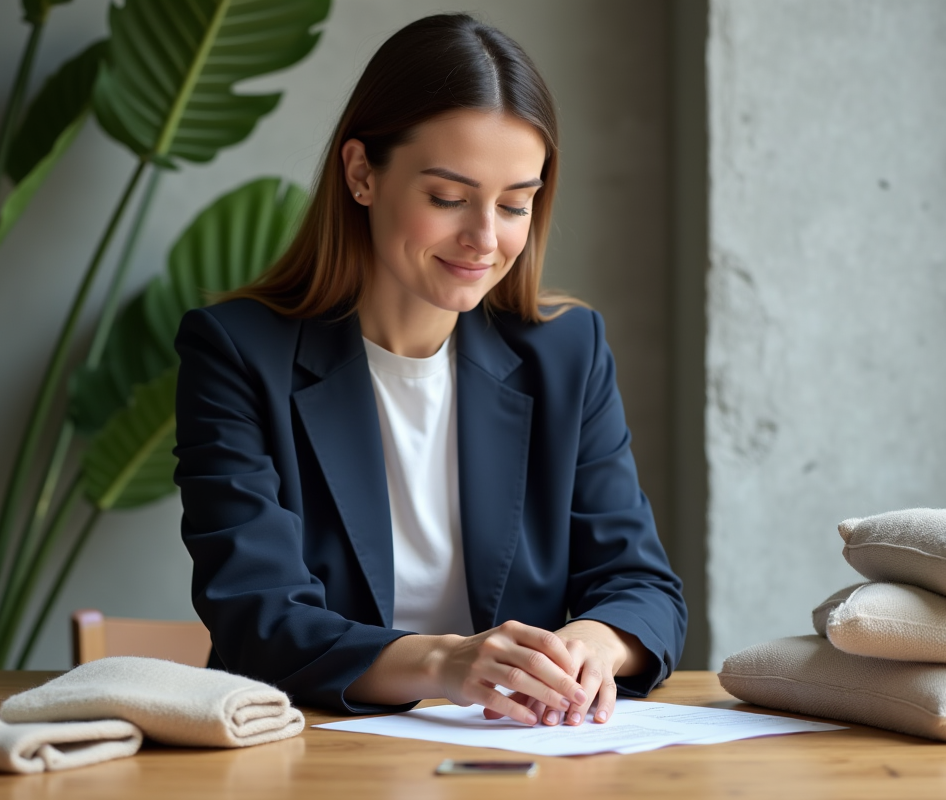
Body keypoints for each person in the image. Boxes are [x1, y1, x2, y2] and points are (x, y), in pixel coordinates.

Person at [173, 13, 686, 727]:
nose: (485, 239)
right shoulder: (236, 352)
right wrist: (447, 664)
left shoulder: (566, 352)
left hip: (518, 758)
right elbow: (258, 620)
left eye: (515, 204)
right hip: (308, 752)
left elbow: (643, 588)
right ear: (361, 174)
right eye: (448, 199)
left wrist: (590, 645)